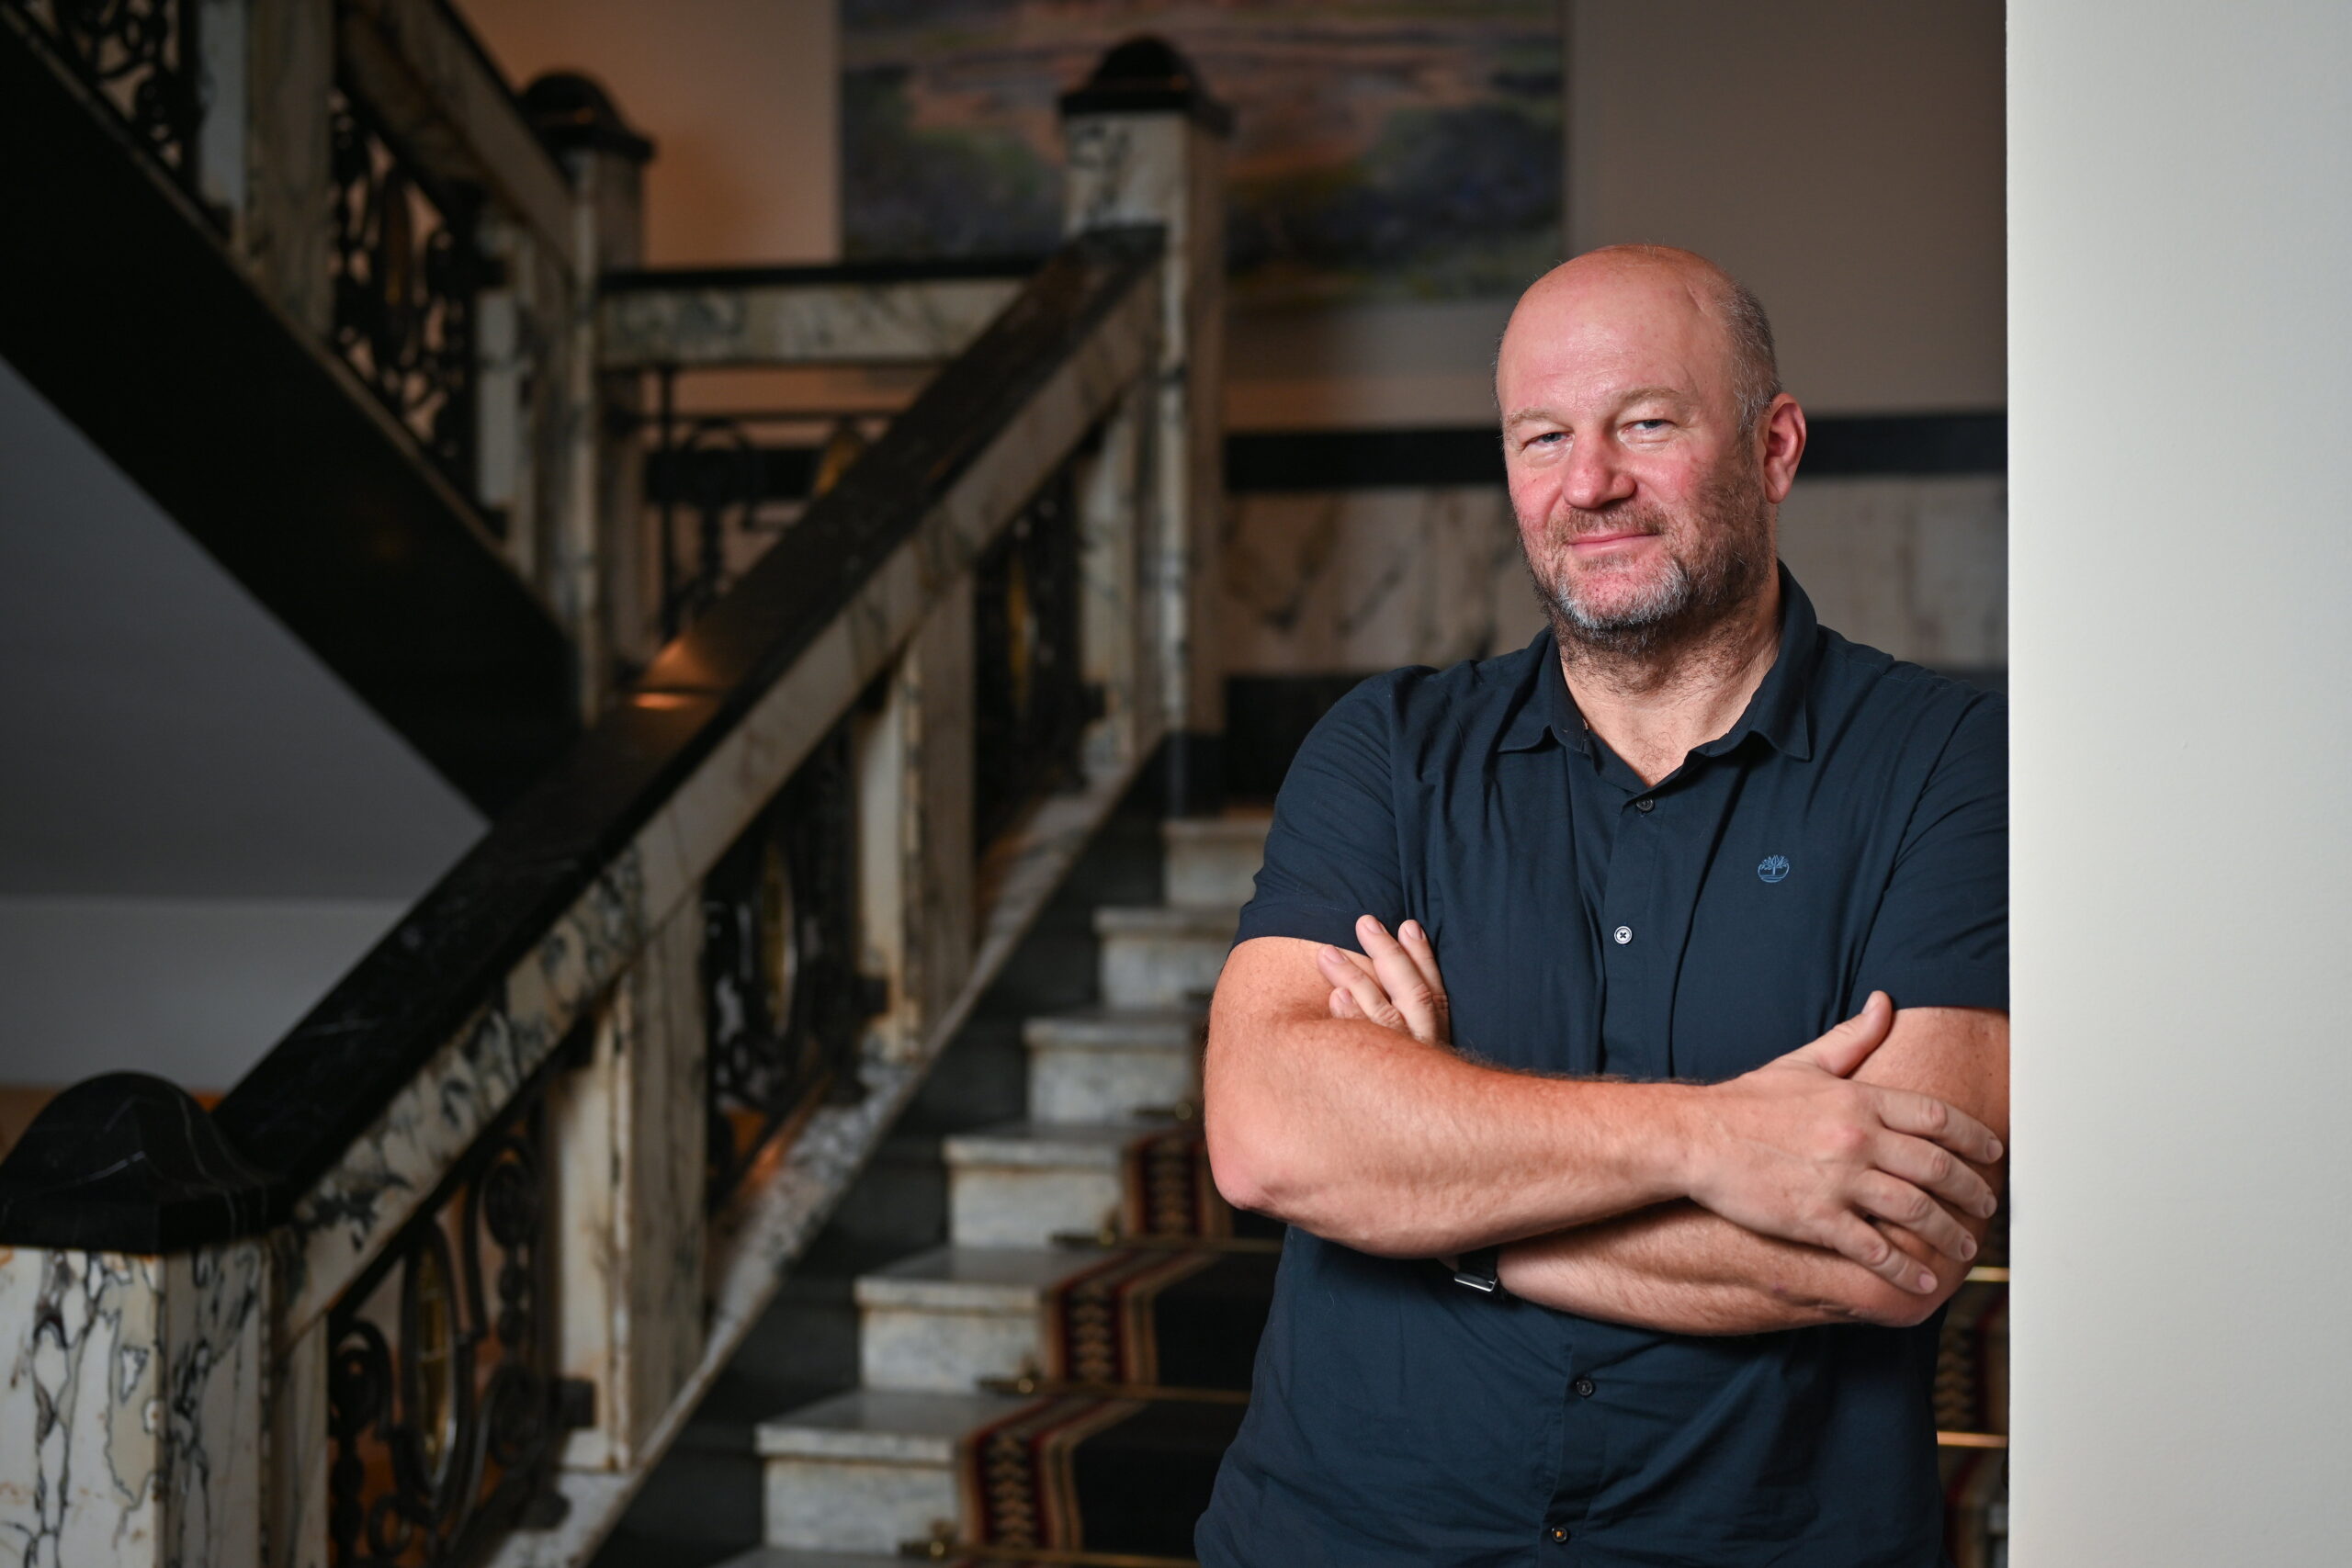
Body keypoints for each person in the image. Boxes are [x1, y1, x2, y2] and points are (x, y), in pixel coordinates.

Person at [1193, 245, 2009, 1566]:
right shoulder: (1387, 751)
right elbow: (1267, 1135)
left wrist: (1438, 1211)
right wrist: (1717, 1142)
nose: (1589, 485)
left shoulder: (1948, 764)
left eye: (1645, 424)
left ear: (1775, 448)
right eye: (1543, 437)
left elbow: (1880, 1247)